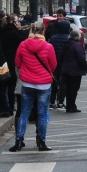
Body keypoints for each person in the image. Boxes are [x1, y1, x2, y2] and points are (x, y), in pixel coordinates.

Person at [11, 22, 56, 152]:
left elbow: (17, 63)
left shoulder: (23, 45)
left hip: (27, 83)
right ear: (43, 32)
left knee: (24, 113)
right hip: (44, 84)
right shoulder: (48, 47)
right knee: (42, 114)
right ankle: (41, 142)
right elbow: (53, 65)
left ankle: (19, 141)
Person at [0, 14, 24, 114]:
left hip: (3, 62)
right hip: (13, 61)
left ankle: (2, 107)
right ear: (13, 22)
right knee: (11, 85)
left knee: (3, 85)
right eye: (17, 21)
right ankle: (10, 106)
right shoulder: (15, 33)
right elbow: (23, 41)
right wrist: (20, 30)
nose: (18, 23)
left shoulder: (1, 32)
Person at [60, 29, 87, 113]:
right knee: (74, 89)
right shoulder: (77, 45)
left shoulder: (66, 44)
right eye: (80, 35)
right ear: (77, 36)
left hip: (66, 69)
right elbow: (81, 58)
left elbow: (61, 56)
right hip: (75, 71)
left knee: (69, 88)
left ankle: (70, 105)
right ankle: (71, 106)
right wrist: (85, 65)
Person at [47, 20, 71, 109]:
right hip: (65, 63)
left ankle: (52, 101)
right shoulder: (68, 38)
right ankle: (60, 102)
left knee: (53, 82)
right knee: (63, 83)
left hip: (54, 62)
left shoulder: (53, 38)